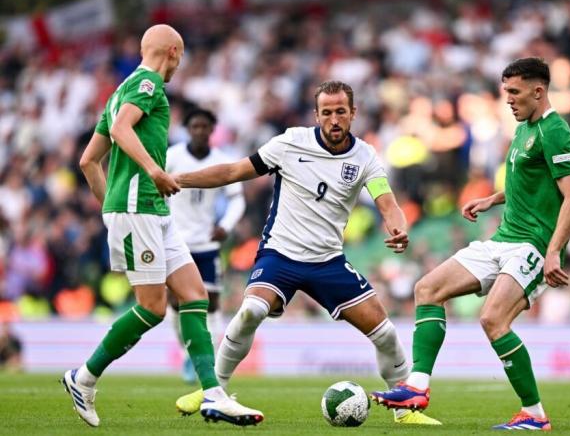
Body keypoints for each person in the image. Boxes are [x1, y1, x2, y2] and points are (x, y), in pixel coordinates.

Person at [173, 80, 440, 425]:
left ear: (353, 114)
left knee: (385, 333)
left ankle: (405, 414)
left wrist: (398, 226)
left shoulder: (364, 156)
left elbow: (387, 203)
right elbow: (232, 171)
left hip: (328, 261)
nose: (333, 119)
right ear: (316, 115)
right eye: (326, 112)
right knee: (251, 310)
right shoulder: (290, 143)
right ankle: (214, 391)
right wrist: (178, 179)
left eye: (340, 112)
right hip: (280, 255)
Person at [63, 24, 263, 428]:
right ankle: (83, 377)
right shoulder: (149, 84)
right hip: (141, 208)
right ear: (173, 51)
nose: (179, 65)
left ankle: (214, 394)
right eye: (181, 56)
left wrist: (109, 210)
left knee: (194, 296)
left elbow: (89, 161)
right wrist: (153, 172)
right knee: (153, 308)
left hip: (148, 211)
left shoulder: (120, 90)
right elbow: (120, 130)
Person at [371, 57, 570, 431]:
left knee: (493, 319)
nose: (508, 100)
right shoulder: (523, 129)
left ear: (538, 91)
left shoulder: (555, 131)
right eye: (506, 93)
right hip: (502, 238)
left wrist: (553, 251)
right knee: (427, 288)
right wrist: (492, 199)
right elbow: (530, 183)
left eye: (515, 93)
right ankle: (417, 387)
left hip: (532, 246)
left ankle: (534, 415)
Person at [166, 107, 245, 383]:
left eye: (205, 126)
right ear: (188, 129)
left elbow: (237, 198)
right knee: (176, 303)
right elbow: (156, 188)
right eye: (195, 126)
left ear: (213, 130)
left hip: (207, 244)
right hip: (175, 243)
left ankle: (206, 359)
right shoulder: (172, 157)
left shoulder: (222, 161)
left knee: (210, 302)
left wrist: (226, 225)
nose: (200, 131)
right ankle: (187, 354)